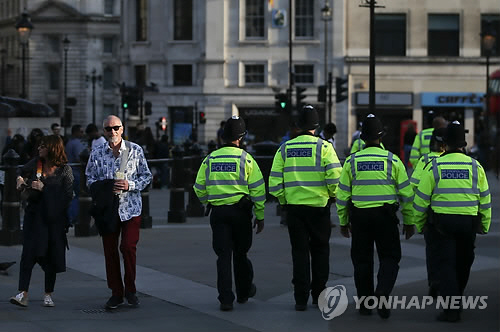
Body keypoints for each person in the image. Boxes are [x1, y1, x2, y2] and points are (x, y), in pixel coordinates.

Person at [336, 114, 414, 319]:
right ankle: (382, 293)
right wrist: (409, 222)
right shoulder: (392, 160)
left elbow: (342, 195)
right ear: (382, 137)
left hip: (360, 217)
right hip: (385, 217)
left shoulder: (352, 161)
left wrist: (343, 222)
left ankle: (365, 304)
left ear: (362, 137)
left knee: (362, 261)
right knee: (390, 257)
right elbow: (407, 195)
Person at [413, 121, 491, 322]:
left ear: (444, 144)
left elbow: (421, 199)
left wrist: (419, 223)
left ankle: (451, 309)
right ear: (463, 145)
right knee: (464, 262)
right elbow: (485, 198)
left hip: (442, 224)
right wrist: (485, 224)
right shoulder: (475, 166)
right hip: (468, 222)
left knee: (446, 264)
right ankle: (456, 295)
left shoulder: (434, 165)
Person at [269, 105, 342, 311]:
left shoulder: (285, 149)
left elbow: (274, 183)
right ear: (316, 127)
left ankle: (300, 298)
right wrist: (332, 196)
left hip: (294, 210)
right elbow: (336, 178)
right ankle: (319, 295)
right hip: (319, 209)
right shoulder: (325, 148)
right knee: (321, 252)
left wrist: (284, 200)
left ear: (298, 125)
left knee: (299, 253)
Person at [193, 115, 265, 312]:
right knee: (241, 254)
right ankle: (243, 292)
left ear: (223, 137)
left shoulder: (210, 159)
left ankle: (226, 299)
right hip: (241, 213)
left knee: (223, 257)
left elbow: (199, 187)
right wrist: (260, 216)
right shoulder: (246, 159)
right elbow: (258, 190)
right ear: (241, 138)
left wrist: (208, 202)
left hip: (218, 213)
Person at [85, 115, 152, 310]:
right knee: (110, 251)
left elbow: (146, 176)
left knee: (128, 247)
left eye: (116, 128)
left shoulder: (135, 150)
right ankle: (116, 292)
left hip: (131, 207)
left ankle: (130, 290)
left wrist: (130, 184)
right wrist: (106, 187)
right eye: (108, 129)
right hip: (108, 209)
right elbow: (89, 178)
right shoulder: (97, 152)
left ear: (122, 129)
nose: (112, 132)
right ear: (103, 131)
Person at [9, 135, 73, 307]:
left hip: (53, 219)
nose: (39, 149)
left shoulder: (64, 170)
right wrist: (20, 180)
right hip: (34, 215)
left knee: (50, 256)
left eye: (43, 146)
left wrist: (45, 189)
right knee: (28, 254)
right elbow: (21, 172)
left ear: (52, 148)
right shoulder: (36, 163)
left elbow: (67, 196)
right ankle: (23, 293)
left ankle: (48, 293)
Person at [409, 127, 446, 298]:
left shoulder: (425, 160)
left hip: (432, 214)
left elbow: (414, 185)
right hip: (455, 213)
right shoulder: (459, 160)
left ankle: (434, 281)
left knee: (432, 250)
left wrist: (418, 220)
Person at [65, 125, 87, 226]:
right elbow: (81, 158)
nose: (82, 134)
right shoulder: (77, 144)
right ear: (75, 132)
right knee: (78, 195)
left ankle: (69, 217)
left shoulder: (69, 143)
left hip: (69, 172)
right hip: (77, 173)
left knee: (71, 196)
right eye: (81, 132)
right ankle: (73, 217)